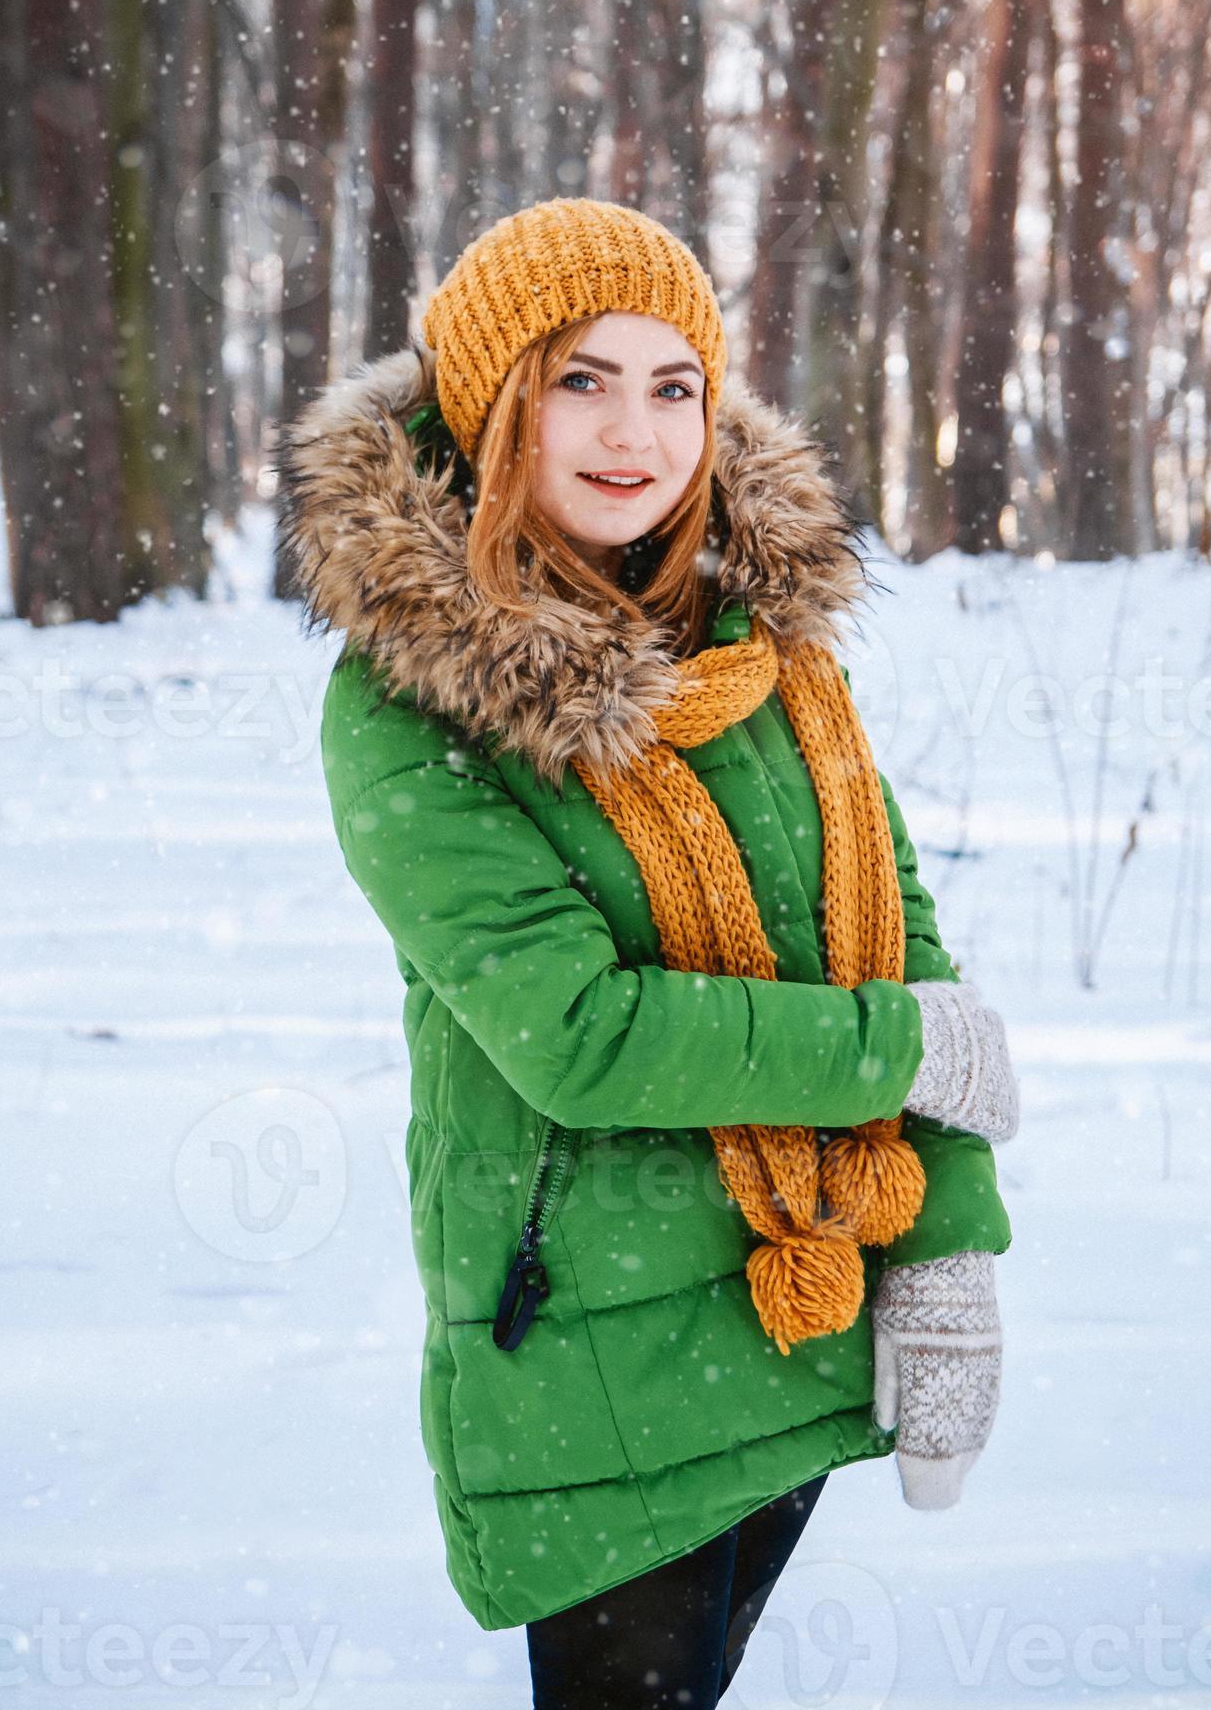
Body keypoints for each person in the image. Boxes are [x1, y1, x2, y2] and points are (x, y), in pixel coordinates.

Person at [277, 198, 1019, 1707]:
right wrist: (895, 1055)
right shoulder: (412, 701)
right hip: (591, 1359)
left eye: (673, 384)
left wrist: (948, 1246)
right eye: (580, 380)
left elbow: (897, 941)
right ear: (494, 404)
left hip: (797, 1302)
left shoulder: (770, 650)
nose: (635, 432)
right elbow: (583, 1033)